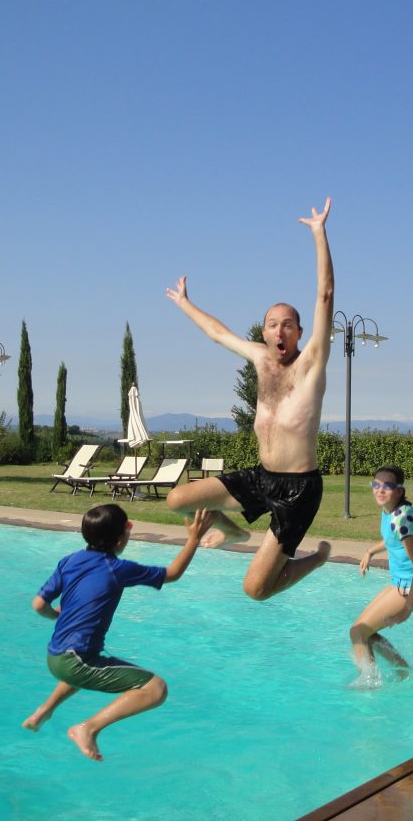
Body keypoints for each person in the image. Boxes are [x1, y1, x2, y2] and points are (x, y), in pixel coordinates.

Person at [164, 197, 335, 601]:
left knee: (256, 589)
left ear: (300, 332)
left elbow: (325, 294)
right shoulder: (260, 359)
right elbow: (218, 333)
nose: (280, 332)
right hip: (262, 477)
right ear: (264, 331)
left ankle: (320, 557)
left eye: (289, 326)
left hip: (299, 491)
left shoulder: (311, 362)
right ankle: (234, 529)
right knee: (177, 499)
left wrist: (318, 233)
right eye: (273, 325)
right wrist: (186, 304)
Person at [21, 503, 210, 761]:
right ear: (121, 539)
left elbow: (38, 604)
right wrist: (194, 538)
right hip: (75, 662)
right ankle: (87, 728)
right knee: (156, 689)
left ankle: (44, 711)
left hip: (55, 658)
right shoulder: (117, 568)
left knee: (94, 663)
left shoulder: (69, 561)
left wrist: (57, 615)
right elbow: (173, 573)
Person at [350, 465, 413, 686]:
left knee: (357, 632)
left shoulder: (402, 519)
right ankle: (403, 671)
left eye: (387, 486)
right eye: (376, 484)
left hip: (410, 588)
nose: (380, 490)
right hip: (400, 583)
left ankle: (370, 684)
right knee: (365, 632)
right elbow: (392, 539)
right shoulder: (390, 512)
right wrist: (370, 551)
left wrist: (406, 609)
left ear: (399, 491)